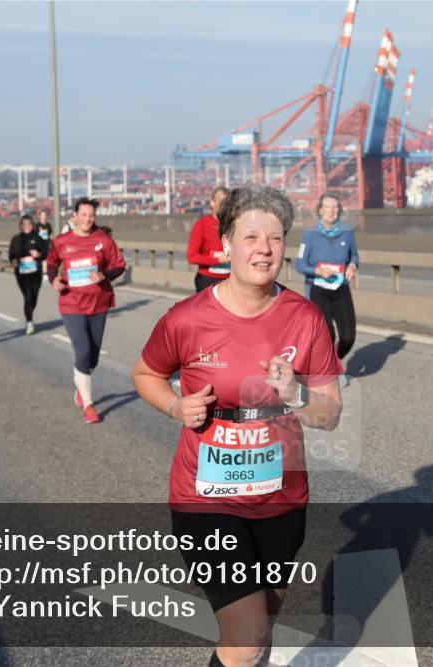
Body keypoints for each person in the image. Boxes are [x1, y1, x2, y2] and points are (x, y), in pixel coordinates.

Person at [131, 185, 343, 667]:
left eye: (274, 237)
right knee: (247, 641)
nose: (263, 249)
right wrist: (175, 407)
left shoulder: (305, 318)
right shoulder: (186, 319)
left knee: (256, 635)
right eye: (250, 237)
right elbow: (145, 374)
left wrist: (296, 395)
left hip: (280, 497)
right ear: (226, 242)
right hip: (206, 498)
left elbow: (330, 415)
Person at [46, 197, 125, 424]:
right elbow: (51, 263)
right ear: (75, 215)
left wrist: (104, 275)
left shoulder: (103, 240)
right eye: (83, 215)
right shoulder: (62, 241)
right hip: (71, 303)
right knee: (82, 351)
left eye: (91, 216)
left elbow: (118, 265)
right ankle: (89, 405)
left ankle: (81, 384)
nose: (87, 219)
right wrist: (54, 280)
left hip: (99, 302)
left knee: (92, 357)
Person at [295, 193, 360, 386]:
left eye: (335, 207)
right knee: (328, 335)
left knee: (348, 337)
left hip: (341, 289)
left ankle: (333, 361)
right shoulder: (309, 235)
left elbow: (354, 256)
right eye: (327, 207)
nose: (331, 211)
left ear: (339, 210)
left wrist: (353, 266)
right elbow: (299, 264)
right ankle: (332, 371)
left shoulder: (347, 233)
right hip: (318, 289)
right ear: (320, 210)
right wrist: (316, 271)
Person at [187, 186, 231, 292]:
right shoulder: (201, 225)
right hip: (208, 280)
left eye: (226, 202)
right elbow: (192, 257)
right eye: (220, 201)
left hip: (231, 280)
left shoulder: (234, 224)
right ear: (212, 203)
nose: (223, 205)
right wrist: (217, 260)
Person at [8, 214, 48, 335]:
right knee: (28, 296)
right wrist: (13, 260)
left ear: (33, 225)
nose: (27, 226)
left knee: (34, 297)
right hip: (22, 273)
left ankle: (29, 314)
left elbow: (46, 253)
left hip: (36, 273)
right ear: (20, 226)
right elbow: (11, 254)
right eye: (24, 224)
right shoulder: (16, 239)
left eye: (29, 224)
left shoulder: (37, 238)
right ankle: (29, 322)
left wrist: (39, 255)